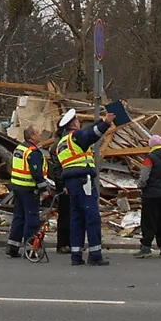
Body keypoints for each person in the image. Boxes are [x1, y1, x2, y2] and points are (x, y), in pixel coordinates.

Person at [55, 108, 116, 266]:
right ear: (74, 123)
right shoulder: (76, 137)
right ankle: (95, 255)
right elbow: (91, 135)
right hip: (84, 181)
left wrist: (101, 122)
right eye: (78, 122)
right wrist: (106, 124)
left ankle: (76, 255)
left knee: (76, 219)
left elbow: (87, 133)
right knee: (92, 216)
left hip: (71, 183)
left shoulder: (61, 144)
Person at [6, 125, 48, 258]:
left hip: (17, 187)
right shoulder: (33, 152)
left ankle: (13, 247)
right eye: (38, 133)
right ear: (32, 136)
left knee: (19, 217)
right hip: (29, 189)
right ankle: (31, 250)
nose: (40, 136)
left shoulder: (19, 148)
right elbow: (36, 173)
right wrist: (44, 189)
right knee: (32, 219)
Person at [137, 134, 161, 258]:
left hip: (151, 194)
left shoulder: (150, 157)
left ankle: (146, 247)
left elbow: (144, 176)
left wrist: (140, 186)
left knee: (149, 221)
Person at [45, 139, 71, 254]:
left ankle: (69, 243)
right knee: (66, 214)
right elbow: (59, 169)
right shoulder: (61, 145)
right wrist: (63, 185)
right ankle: (64, 244)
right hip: (66, 186)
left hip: (68, 184)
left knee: (68, 215)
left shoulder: (59, 144)